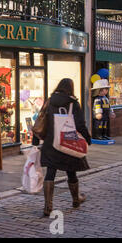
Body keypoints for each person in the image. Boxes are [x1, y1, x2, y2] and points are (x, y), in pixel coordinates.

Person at [38, 78, 92, 216]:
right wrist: (87, 138)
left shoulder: (49, 101)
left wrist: (35, 141)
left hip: (51, 142)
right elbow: (80, 124)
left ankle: (48, 207)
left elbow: (41, 119)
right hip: (67, 141)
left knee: (51, 172)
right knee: (71, 170)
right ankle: (76, 199)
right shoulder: (73, 103)